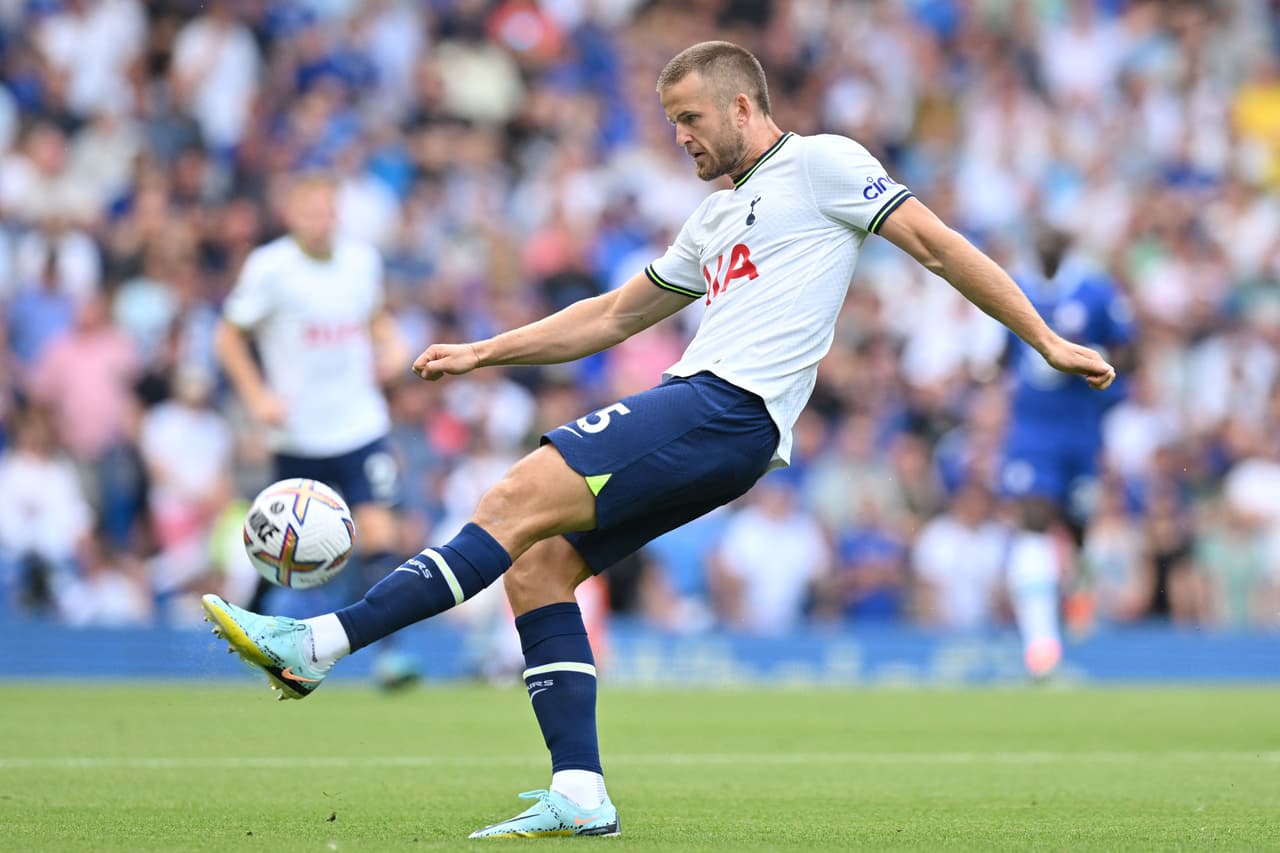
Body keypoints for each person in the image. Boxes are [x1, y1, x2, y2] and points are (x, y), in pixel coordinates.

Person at [201, 41, 1115, 838]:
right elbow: (613, 315)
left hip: (728, 405)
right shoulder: (716, 217)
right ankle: (580, 790)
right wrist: (488, 350)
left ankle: (319, 641)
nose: (680, 136)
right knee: (539, 565)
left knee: (514, 498)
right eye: (671, 120)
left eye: (690, 117)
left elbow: (939, 244)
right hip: (722, 422)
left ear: (743, 106)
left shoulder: (825, 164)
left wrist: (1045, 338)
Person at [214, 173, 408, 626]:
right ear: (292, 216)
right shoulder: (269, 267)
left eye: (326, 212)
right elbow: (228, 335)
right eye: (310, 213)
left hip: (359, 424)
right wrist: (257, 395)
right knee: (285, 548)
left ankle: (390, 654)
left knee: (379, 533)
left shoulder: (362, 261)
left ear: (337, 214)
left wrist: (393, 346)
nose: (319, 222)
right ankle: (255, 629)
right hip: (298, 434)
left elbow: (374, 317)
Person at [998, 226, 1133, 677]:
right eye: (1040, 241)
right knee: (1033, 518)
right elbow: (1003, 357)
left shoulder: (1095, 291)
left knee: (1078, 530)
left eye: (1054, 242)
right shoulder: (1014, 287)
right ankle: (1041, 647)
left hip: (1081, 428)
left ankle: (1079, 597)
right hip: (1033, 429)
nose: (1045, 247)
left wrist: (1095, 358)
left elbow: (1128, 351)